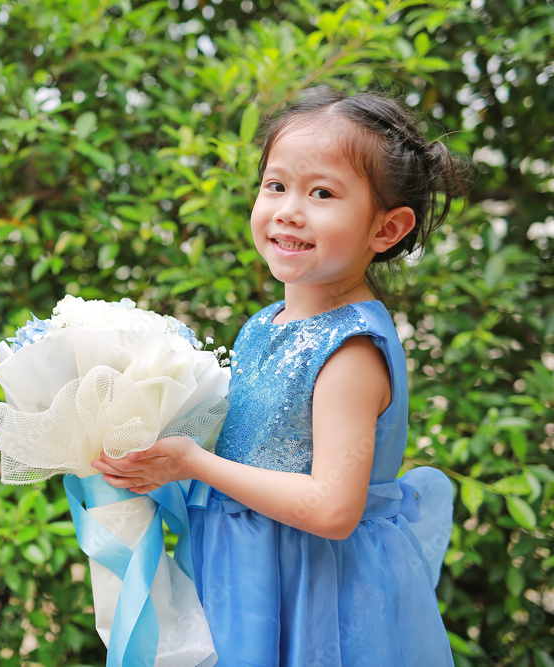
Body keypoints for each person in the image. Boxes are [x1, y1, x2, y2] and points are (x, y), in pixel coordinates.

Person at [92, 87, 462, 664]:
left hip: (310, 590)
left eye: (321, 193)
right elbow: (250, 448)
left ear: (386, 230)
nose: (290, 208)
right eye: (276, 185)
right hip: (242, 574)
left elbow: (332, 510)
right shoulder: (266, 324)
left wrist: (192, 462)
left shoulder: (351, 351)